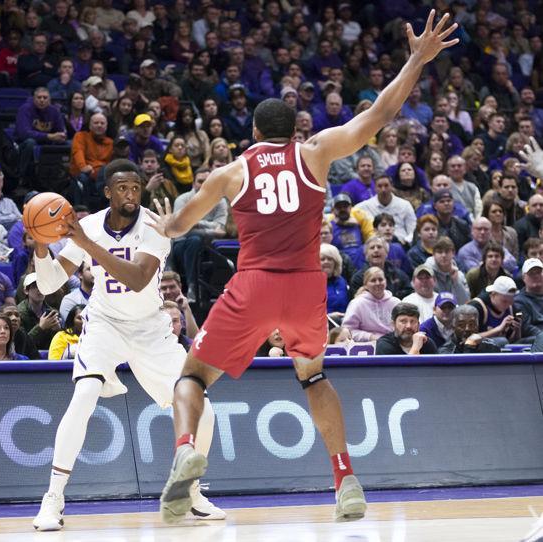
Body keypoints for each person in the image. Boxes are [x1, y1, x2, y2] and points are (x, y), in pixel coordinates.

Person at [145, 12, 457, 524]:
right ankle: (345, 479)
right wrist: (417, 58)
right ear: (294, 130)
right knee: (313, 378)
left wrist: (166, 223)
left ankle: (184, 448)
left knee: (194, 376)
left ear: (252, 131)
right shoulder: (314, 154)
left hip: (253, 283)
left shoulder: (231, 171)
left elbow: (180, 227)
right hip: (307, 287)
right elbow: (378, 114)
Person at [31, 159, 224, 531]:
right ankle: (53, 497)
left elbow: (137, 279)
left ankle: (191, 491)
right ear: (107, 192)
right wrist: (41, 248)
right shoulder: (87, 225)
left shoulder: (155, 225)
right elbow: (50, 283)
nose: (131, 194)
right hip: (104, 323)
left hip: (151, 328)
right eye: (122, 188)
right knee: (84, 395)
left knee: (202, 407)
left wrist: (86, 245)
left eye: (135, 188)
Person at [171, 168, 227, 301]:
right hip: (181, 244)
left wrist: (197, 223)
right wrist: (210, 227)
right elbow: (180, 228)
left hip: (209, 247)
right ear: (193, 183)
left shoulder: (221, 201)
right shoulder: (182, 200)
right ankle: (192, 287)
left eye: (207, 181)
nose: (203, 185)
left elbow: (222, 229)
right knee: (195, 240)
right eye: (200, 181)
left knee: (198, 239)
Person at [17, 272, 61, 350]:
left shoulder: (53, 312)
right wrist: (40, 328)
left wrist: (57, 331)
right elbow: (22, 346)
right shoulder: (18, 314)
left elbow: (59, 344)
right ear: (26, 291)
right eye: (35, 286)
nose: (40, 289)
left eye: (42, 285)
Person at [437, 305, 502, 354]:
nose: (467, 329)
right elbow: (465, 371)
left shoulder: (491, 347)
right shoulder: (445, 351)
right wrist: (470, 346)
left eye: (472, 324)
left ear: (478, 326)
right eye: (461, 325)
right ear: (453, 327)